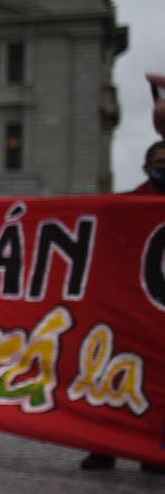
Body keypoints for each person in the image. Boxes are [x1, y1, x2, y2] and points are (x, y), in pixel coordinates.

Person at [81, 138, 165, 473]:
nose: (163, 166)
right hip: (125, 308)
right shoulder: (125, 205)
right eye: (158, 161)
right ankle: (103, 448)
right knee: (110, 377)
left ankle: (152, 451)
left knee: (157, 384)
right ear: (146, 168)